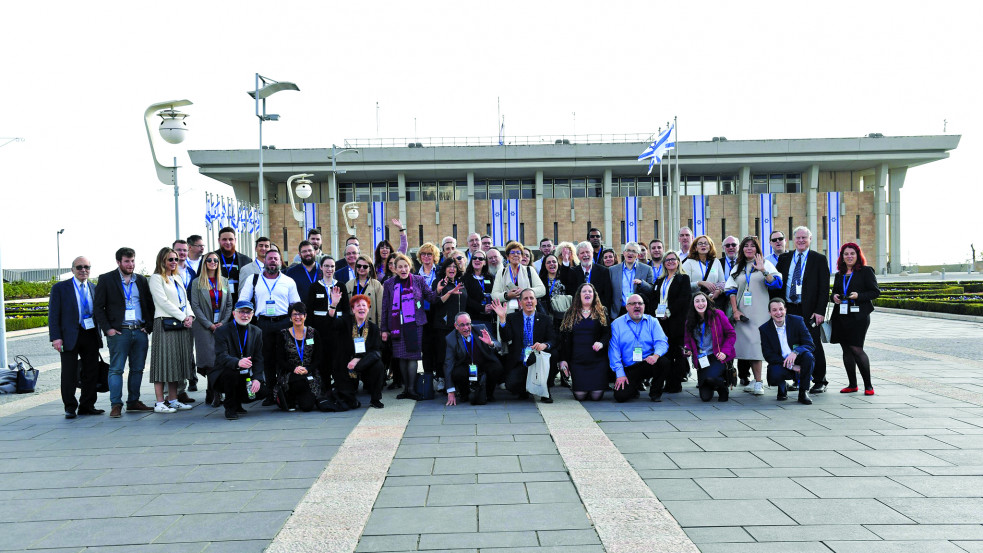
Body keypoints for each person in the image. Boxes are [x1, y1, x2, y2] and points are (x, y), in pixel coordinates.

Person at [93, 247, 155, 417]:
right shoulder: (106, 279)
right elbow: (98, 307)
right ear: (118, 262)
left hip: (139, 331)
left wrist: (148, 327)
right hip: (120, 333)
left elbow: (149, 305)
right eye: (127, 261)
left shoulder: (141, 280)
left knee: (137, 369)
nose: (130, 264)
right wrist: (108, 329)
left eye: (133, 260)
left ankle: (133, 401)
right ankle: (116, 405)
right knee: (116, 369)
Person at [238, 249, 302, 404]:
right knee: (266, 359)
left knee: (285, 358)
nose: (273, 261)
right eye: (270, 259)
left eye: (276, 259)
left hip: (284, 323)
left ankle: (285, 391)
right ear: (264, 261)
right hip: (263, 323)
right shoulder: (253, 280)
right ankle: (270, 393)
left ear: (280, 262)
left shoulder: (288, 281)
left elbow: (296, 305)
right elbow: (243, 301)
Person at [381, 253, 446, 400]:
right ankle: (406, 389)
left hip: (415, 325)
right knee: (401, 357)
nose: (403, 269)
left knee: (412, 357)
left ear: (410, 267)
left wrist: (438, 290)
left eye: (405, 266)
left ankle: (411, 389)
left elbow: (431, 297)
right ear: (395, 269)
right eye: (400, 267)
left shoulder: (418, 280)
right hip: (397, 324)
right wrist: (384, 329)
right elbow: (385, 307)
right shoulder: (389, 284)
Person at [725, 236, 782, 396]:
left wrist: (763, 270)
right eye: (746, 246)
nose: (749, 248)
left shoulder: (766, 263)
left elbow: (777, 284)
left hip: (760, 311)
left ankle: (759, 382)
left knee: (756, 344)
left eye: (752, 246)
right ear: (742, 249)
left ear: (757, 249)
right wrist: (735, 311)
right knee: (747, 346)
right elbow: (731, 290)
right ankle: (755, 380)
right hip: (743, 312)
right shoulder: (738, 267)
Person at [775, 226, 830, 393]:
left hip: (809, 310)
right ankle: (798, 378)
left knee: (813, 344)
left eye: (804, 238)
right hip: (789, 309)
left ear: (810, 239)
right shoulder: (785, 258)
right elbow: (778, 284)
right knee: (792, 345)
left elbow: (824, 287)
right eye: (798, 238)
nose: (800, 240)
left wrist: (820, 310)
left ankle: (820, 380)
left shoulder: (818, 259)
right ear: (793, 240)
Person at [50, 256, 103, 418]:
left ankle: (87, 405)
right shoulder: (60, 288)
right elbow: (53, 314)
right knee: (69, 373)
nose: (83, 270)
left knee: (91, 372)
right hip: (68, 336)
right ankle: (70, 407)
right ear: (72, 269)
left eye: (86, 267)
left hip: (90, 334)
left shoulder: (95, 288)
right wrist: (56, 337)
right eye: (79, 267)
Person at [148, 247, 195, 413]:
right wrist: (183, 317)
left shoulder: (177, 277)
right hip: (164, 324)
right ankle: (160, 402)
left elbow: (186, 300)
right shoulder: (156, 278)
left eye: (175, 259)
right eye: (170, 259)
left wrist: (190, 316)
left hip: (181, 324)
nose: (174, 262)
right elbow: (163, 302)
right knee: (163, 363)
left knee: (176, 363)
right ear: (162, 261)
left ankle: (173, 399)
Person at [830, 243, 880, 395]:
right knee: (846, 349)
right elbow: (834, 294)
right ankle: (852, 384)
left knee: (857, 349)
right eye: (846, 254)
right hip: (841, 316)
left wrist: (859, 296)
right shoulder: (839, 274)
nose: (849, 256)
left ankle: (869, 386)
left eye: (852, 253)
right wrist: (835, 297)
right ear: (842, 257)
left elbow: (874, 292)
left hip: (859, 316)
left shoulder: (865, 271)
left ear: (858, 255)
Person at [491, 290, 556, 402]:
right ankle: (525, 389)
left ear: (536, 301)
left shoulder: (545, 319)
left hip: (538, 359)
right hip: (521, 360)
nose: (529, 301)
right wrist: (502, 319)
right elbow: (506, 338)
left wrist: (544, 345)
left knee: (554, 354)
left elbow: (553, 339)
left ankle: (545, 389)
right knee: (511, 385)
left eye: (531, 298)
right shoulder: (512, 318)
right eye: (525, 298)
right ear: (520, 303)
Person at [189, 252, 234, 407]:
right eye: (209, 260)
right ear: (204, 262)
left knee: (221, 359)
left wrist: (223, 322)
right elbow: (195, 306)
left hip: (222, 325)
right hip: (204, 327)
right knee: (209, 361)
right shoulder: (197, 282)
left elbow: (229, 305)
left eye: (216, 260)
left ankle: (215, 390)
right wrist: (209, 324)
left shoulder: (224, 281)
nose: (213, 262)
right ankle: (213, 391)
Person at [643, 251, 690, 397]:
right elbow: (654, 299)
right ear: (664, 263)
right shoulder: (660, 280)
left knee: (678, 354)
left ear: (678, 261)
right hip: (661, 322)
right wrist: (658, 312)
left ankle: (675, 384)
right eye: (667, 260)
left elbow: (683, 300)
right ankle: (667, 382)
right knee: (666, 353)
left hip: (676, 322)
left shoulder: (683, 278)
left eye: (673, 259)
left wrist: (668, 312)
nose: (670, 262)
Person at [608, 294, 669, 403]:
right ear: (627, 307)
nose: (637, 306)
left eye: (640, 303)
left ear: (644, 306)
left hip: (647, 363)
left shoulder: (653, 322)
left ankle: (655, 392)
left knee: (664, 362)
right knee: (620, 397)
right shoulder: (616, 324)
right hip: (628, 367)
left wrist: (655, 356)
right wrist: (620, 374)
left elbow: (662, 342)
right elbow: (614, 352)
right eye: (633, 304)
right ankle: (634, 387)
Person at [329, 293, 386, 409]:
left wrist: (358, 358)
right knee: (349, 402)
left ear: (368, 309)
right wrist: (334, 304)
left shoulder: (373, 328)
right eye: (358, 306)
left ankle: (375, 399)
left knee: (378, 366)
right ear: (353, 309)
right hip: (345, 364)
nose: (361, 308)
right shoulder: (345, 322)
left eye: (364, 305)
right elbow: (332, 323)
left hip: (364, 364)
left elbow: (376, 349)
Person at [213, 300, 266, 420]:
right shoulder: (222, 331)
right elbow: (221, 356)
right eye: (241, 312)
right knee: (232, 373)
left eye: (248, 312)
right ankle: (230, 407)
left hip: (246, 374)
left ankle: (238, 402)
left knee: (263, 391)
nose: (245, 315)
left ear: (253, 314)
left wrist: (257, 378)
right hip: (225, 373)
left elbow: (258, 358)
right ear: (234, 313)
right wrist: (237, 362)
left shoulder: (257, 331)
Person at [557, 283, 610, 401]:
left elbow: (607, 333)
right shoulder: (570, 313)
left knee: (596, 396)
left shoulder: (602, 311)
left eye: (590, 291)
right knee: (580, 396)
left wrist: (601, 343)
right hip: (578, 361)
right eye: (584, 291)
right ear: (579, 295)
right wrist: (563, 359)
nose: (587, 293)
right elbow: (564, 339)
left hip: (597, 360)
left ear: (594, 295)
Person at [759, 298, 815, 405]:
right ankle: (782, 386)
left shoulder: (797, 321)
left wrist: (796, 352)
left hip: (797, 358)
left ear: (785, 310)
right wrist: (792, 367)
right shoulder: (764, 329)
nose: (778, 313)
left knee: (808, 357)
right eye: (774, 310)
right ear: (769, 313)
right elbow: (768, 355)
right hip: (780, 362)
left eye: (781, 309)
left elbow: (809, 344)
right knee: (774, 374)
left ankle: (803, 392)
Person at [683, 291, 736, 402]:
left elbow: (731, 334)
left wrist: (725, 352)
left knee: (712, 377)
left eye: (703, 300)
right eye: (697, 301)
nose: (700, 304)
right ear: (693, 304)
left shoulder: (718, 314)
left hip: (717, 355)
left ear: (707, 302)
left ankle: (723, 388)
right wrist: (687, 349)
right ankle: (712, 383)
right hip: (702, 357)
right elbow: (687, 341)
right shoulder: (689, 321)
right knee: (705, 397)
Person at [443, 313, 504, 406]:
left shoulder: (481, 328)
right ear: (456, 326)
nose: (466, 328)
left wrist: (491, 343)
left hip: (483, 363)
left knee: (496, 367)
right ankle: (464, 394)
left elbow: (499, 346)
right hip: (466, 366)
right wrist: (450, 391)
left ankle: (489, 394)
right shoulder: (451, 338)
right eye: (462, 325)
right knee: (457, 372)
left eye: (468, 324)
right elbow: (448, 364)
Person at [273, 302, 323, 412]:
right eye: (294, 314)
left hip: (309, 372)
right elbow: (280, 359)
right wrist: (294, 369)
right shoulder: (283, 334)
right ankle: (289, 396)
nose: (297, 317)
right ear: (290, 317)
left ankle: (297, 398)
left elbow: (318, 357)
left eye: (300, 314)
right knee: (298, 381)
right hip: (289, 372)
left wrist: (308, 369)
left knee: (307, 407)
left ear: (305, 316)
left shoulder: (313, 333)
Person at [430, 256, 470, 391]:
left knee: (460, 353)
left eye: (454, 266)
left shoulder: (462, 282)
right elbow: (435, 301)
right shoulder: (439, 282)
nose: (452, 269)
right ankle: (441, 378)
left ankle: (456, 381)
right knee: (443, 354)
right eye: (449, 266)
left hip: (460, 326)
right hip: (443, 325)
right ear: (445, 269)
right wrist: (449, 292)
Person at [491, 241, 547, 314]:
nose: (516, 255)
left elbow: (542, 290)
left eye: (518, 252)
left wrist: (525, 292)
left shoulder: (529, 270)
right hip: (508, 314)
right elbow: (494, 295)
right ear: (507, 256)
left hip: (527, 313)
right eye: (512, 253)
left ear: (521, 256)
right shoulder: (501, 272)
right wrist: (507, 295)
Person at [608, 242, 655, 319]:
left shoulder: (647, 269)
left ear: (638, 255)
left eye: (634, 251)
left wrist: (642, 283)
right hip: (618, 312)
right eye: (628, 250)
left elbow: (651, 291)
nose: (630, 253)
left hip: (638, 311)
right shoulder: (612, 270)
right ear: (624, 253)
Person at [681, 235, 727, 303]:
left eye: (706, 243)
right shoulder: (688, 263)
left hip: (712, 300)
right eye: (700, 243)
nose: (703, 245)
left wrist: (719, 291)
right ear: (695, 248)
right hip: (695, 302)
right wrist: (699, 283)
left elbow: (722, 282)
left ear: (710, 247)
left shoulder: (716, 262)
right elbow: (684, 285)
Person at [568, 241, 613, 310]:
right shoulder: (573, 272)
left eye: (587, 252)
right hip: (578, 311)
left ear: (592, 253)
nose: (585, 255)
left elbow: (607, 295)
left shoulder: (603, 271)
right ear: (578, 256)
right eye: (582, 253)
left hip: (598, 311)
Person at [215, 226, 253, 301]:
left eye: (230, 239)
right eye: (224, 239)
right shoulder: (209, 259)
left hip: (240, 302)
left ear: (235, 240)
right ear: (219, 240)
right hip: (217, 303)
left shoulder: (246, 260)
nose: (228, 242)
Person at [344, 254, 384, 324]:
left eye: (365, 267)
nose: (361, 268)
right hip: (353, 324)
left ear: (370, 268)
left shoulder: (376, 285)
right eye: (359, 266)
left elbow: (381, 309)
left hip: (370, 324)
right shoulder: (348, 285)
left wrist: (381, 328)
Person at [463, 249, 495, 325]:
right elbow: (465, 298)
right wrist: (482, 308)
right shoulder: (465, 278)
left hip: (488, 318)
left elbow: (494, 293)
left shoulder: (490, 278)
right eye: (474, 258)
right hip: (472, 318)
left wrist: (490, 307)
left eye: (480, 259)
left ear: (485, 263)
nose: (477, 260)